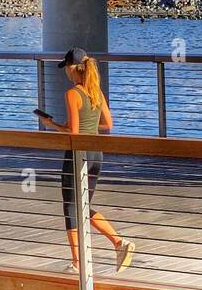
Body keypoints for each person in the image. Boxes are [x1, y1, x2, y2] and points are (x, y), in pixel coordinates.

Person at [39, 47, 135, 273]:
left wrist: (52, 125)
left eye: (66, 68)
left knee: (71, 208)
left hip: (77, 155)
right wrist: (87, 127)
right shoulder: (96, 92)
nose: (66, 73)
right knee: (84, 205)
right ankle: (119, 243)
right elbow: (108, 125)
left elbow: (73, 132)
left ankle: (77, 263)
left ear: (73, 69)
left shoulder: (73, 94)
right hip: (96, 154)